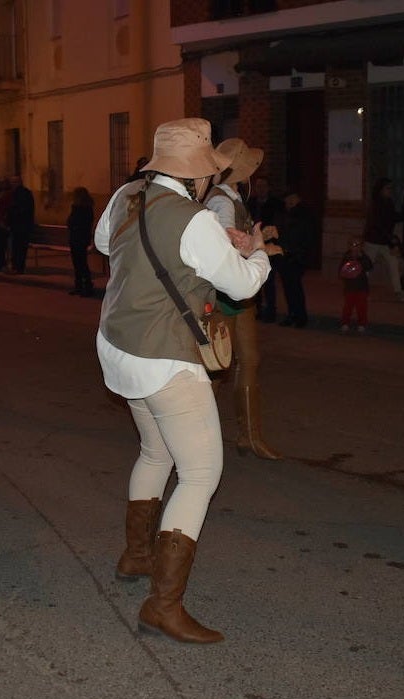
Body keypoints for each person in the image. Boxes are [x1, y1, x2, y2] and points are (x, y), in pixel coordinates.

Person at [95, 118, 271, 644]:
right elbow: (242, 285)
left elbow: (107, 246)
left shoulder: (127, 193)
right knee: (200, 474)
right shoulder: (192, 218)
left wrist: (211, 244)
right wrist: (256, 249)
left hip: (117, 342)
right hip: (163, 355)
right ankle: (164, 604)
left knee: (156, 452)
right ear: (198, 176)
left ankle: (136, 554)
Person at [204, 139, 285, 459]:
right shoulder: (223, 202)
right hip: (227, 293)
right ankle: (200, 438)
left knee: (247, 360)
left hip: (239, 294)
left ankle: (249, 436)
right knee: (217, 366)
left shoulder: (230, 198)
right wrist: (259, 248)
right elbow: (224, 246)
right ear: (243, 171)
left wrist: (262, 239)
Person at [274, 188, 315, 328]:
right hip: (284, 256)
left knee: (295, 288)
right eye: (288, 198)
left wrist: (299, 253)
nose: (290, 201)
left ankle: (300, 316)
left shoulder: (304, 214)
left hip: (296, 256)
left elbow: (306, 236)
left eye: (293, 198)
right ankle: (292, 314)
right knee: (288, 288)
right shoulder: (283, 214)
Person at [247, 175, 284, 322]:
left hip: (269, 245)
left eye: (263, 186)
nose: (260, 189)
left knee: (269, 281)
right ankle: (257, 309)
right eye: (258, 186)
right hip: (253, 244)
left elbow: (278, 224)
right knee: (254, 279)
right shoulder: (251, 203)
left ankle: (271, 312)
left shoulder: (275, 204)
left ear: (268, 188)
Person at [362, 178, 404, 299]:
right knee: (367, 266)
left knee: (393, 263)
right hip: (374, 240)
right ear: (380, 190)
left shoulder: (389, 202)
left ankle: (398, 291)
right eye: (387, 188)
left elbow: (392, 217)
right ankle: (361, 289)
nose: (390, 191)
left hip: (384, 240)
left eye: (391, 188)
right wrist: (389, 238)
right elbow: (377, 224)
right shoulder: (376, 203)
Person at [338, 238, 373, 332]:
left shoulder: (364, 257)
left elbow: (369, 266)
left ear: (361, 247)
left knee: (361, 307)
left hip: (362, 287)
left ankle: (362, 323)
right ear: (349, 247)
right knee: (348, 306)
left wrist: (361, 258)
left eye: (357, 245)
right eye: (353, 245)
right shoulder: (346, 257)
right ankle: (345, 322)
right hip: (350, 287)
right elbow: (341, 271)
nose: (355, 248)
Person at [66, 186, 95, 297]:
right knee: (79, 263)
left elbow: (73, 221)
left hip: (78, 238)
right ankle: (80, 286)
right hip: (80, 238)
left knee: (81, 263)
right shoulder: (85, 208)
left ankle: (85, 286)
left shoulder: (81, 208)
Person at [6, 175, 35, 274]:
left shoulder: (22, 194)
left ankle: (18, 267)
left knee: (19, 247)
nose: (12, 184)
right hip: (19, 225)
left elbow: (22, 210)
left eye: (14, 182)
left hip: (21, 225)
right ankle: (17, 266)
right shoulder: (18, 193)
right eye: (12, 182)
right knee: (17, 247)